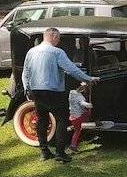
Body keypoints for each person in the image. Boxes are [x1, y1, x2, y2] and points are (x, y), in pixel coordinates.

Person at [22, 27, 99, 163]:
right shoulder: (57, 52)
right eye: (58, 38)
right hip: (54, 91)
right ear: (53, 37)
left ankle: (44, 151)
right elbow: (71, 69)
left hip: (37, 91)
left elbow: (25, 73)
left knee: (42, 120)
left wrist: (27, 89)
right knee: (62, 120)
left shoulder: (31, 52)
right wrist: (88, 78)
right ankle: (60, 152)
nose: (59, 41)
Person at [68, 82, 93, 153]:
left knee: (77, 131)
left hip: (72, 116)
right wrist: (89, 105)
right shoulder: (80, 97)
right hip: (78, 117)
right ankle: (73, 145)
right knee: (88, 112)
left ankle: (73, 145)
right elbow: (82, 103)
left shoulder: (71, 93)